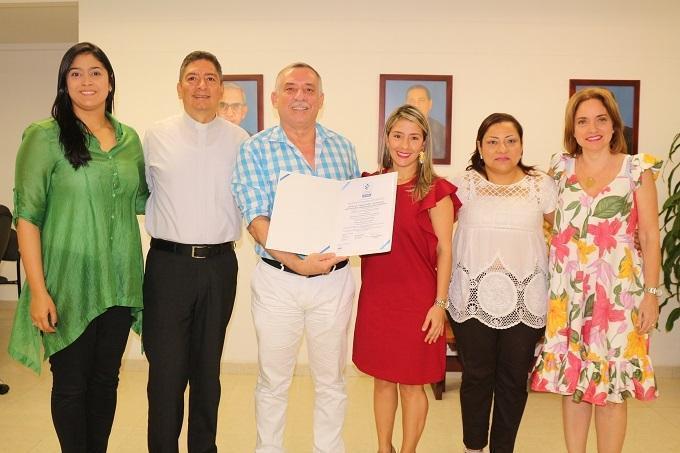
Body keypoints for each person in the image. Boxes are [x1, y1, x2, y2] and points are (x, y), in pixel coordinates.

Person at [8, 42, 148, 452]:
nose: (86, 81)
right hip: (66, 281)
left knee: (106, 381)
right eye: (75, 73)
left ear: (109, 82)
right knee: (70, 384)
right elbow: (27, 217)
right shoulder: (43, 137)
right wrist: (38, 290)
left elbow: (144, 199)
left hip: (120, 280)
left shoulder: (129, 140)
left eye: (95, 72)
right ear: (64, 83)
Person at [232, 62, 360, 453]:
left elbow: (353, 210)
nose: (300, 96)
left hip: (334, 281)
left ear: (321, 100)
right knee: (273, 381)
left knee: (332, 380)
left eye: (309, 89)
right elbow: (255, 219)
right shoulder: (254, 149)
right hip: (278, 282)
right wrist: (296, 262)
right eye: (290, 89)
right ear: (275, 99)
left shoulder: (343, 147)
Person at [531, 87, 662, 453]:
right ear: (572, 129)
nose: (593, 128)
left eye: (601, 119)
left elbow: (651, 235)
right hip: (568, 295)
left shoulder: (637, 170)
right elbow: (544, 220)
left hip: (619, 296)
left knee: (612, 387)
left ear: (613, 124)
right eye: (583, 120)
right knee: (573, 384)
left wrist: (652, 296)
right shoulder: (559, 169)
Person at [143, 51, 248, 453]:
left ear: (221, 88)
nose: (200, 85)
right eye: (192, 78)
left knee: (207, 373)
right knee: (166, 375)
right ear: (179, 87)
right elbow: (141, 193)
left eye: (209, 78)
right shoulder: (155, 135)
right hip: (167, 267)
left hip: (220, 266)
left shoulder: (241, 141)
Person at [352, 105, 459, 453]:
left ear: (424, 143)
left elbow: (445, 250)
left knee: (413, 385)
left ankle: (408, 450)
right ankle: (385, 448)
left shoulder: (435, 191)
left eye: (414, 137)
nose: (404, 144)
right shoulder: (369, 186)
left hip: (419, 302)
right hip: (378, 299)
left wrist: (440, 305)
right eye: (398, 135)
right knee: (383, 381)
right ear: (386, 138)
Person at [447, 113, 556, 453]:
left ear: (522, 145)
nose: (502, 149)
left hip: (526, 297)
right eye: (492, 141)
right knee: (477, 377)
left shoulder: (541, 185)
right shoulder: (463, 184)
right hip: (472, 296)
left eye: (511, 140)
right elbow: (433, 233)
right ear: (480, 147)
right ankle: (473, 447)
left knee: (512, 381)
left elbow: (570, 231)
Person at [405, 85, 446, 161]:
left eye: (421, 100)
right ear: (406, 104)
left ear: (430, 104)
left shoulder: (441, 131)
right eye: (412, 101)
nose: (416, 105)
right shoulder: (397, 129)